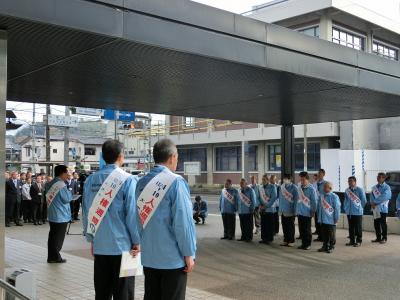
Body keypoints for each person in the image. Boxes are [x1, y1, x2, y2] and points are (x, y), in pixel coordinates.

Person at [135, 139, 196, 300]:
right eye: (177, 157)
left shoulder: (141, 183)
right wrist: (189, 254)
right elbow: (183, 223)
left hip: (149, 257)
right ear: (171, 157)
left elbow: (138, 220)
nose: (177, 160)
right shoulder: (176, 182)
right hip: (172, 259)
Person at [82, 140, 140, 300]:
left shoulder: (90, 180)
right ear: (121, 156)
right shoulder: (128, 180)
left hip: (100, 246)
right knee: (124, 293)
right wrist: (137, 241)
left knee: (102, 292)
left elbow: (86, 212)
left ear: (102, 156)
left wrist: (91, 239)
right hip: (124, 248)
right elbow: (132, 215)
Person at [46, 165, 73, 263]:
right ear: (62, 173)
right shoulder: (61, 184)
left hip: (52, 213)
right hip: (61, 215)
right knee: (58, 238)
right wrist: (70, 192)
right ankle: (55, 257)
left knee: (52, 236)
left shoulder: (49, 183)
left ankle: (51, 256)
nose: (68, 175)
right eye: (67, 173)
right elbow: (67, 199)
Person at [296, 172, 318, 250]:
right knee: (301, 229)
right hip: (300, 212)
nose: (302, 181)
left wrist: (313, 211)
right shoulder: (299, 188)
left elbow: (314, 202)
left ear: (307, 179)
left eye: (303, 179)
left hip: (307, 212)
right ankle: (303, 244)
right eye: (301, 179)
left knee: (307, 229)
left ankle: (307, 244)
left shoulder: (311, 189)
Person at [317, 182, 340, 253]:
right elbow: (319, 208)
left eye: (325, 187)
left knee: (331, 235)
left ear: (330, 188)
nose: (324, 188)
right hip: (323, 219)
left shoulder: (334, 196)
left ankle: (331, 246)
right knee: (324, 234)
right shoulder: (322, 196)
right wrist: (319, 218)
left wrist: (336, 218)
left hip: (331, 220)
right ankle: (325, 246)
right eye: (324, 187)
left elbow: (337, 209)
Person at [344, 176, 367, 247]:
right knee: (351, 227)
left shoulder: (360, 190)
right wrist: (346, 208)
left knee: (358, 227)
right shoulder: (347, 190)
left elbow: (364, 201)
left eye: (351, 181)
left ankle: (359, 241)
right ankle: (352, 241)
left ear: (355, 182)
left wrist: (359, 208)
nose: (349, 182)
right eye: (348, 181)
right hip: (349, 212)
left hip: (357, 212)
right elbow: (346, 200)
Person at [370, 172, 392, 244]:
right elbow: (371, 196)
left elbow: (385, 196)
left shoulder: (387, 187)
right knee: (376, 223)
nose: (378, 178)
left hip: (383, 209)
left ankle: (384, 238)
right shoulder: (374, 187)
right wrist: (372, 203)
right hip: (375, 208)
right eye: (377, 177)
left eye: (380, 177)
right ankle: (378, 237)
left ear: (384, 178)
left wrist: (375, 202)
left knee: (383, 224)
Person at [279, 174, 298, 247]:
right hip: (283, 210)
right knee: (284, 226)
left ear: (290, 179)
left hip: (290, 210)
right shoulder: (282, 187)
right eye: (284, 178)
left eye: (286, 179)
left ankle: (291, 240)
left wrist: (295, 211)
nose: (285, 180)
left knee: (290, 227)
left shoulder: (294, 188)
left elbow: (296, 200)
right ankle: (286, 240)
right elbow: (280, 199)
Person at [258, 174, 278, 244]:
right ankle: (264, 238)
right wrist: (260, 205)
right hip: (262, 209)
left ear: (268, 180)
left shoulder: (272, 187)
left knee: (269, 225)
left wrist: (266, 206)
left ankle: (269, 239)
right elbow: (258, 197)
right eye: (262, 179)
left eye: (264, 180)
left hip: (270, 209)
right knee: (263, 224)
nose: (263, 181)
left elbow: (274, 198)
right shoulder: (260, 187)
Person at [314, 169, 327, 242]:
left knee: (322, 221)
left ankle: (323, 236)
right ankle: (319, 235)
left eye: (320, 174)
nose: (319, 175)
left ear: (323, 174)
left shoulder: (325, 184)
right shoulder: (315, 183)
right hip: (316, 205)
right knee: (317, 221)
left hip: (322, 205)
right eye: (318, 173)